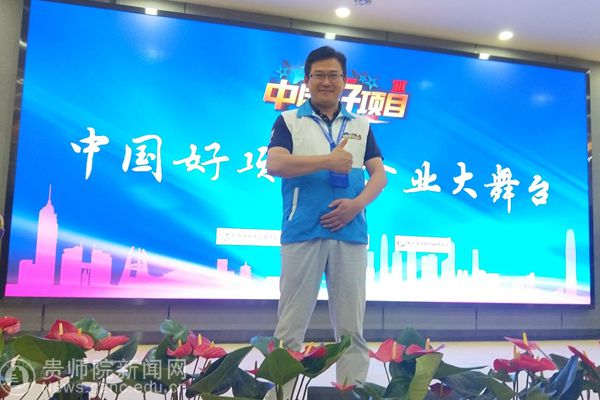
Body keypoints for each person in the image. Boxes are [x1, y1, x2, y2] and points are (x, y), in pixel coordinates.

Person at [266, 46, 387, 387]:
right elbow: (275, 163)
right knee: (290, 329)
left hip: (350, 233)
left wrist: (356, 205)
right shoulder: (289, 121)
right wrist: (327, 161)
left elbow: (379, 176)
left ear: (344, 81)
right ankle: (283, 395)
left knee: (352, 331)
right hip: (303, 231)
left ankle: (351, 392)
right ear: (307, 81)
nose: (326, 81)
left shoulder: (360, 125)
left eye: (334, 75)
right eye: (319, 75)